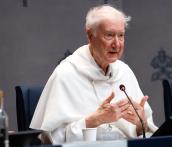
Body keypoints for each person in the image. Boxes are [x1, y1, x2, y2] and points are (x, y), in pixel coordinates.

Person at [30, 4, 158, 144]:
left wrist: (141, 124)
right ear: (91, 36)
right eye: (109, 35)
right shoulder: (66, 74)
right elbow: (52, 139)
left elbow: (147, 132)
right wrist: (96, 119)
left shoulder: (124, 72)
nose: (117, 44)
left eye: (121, 36)